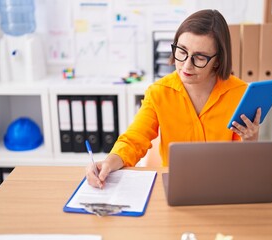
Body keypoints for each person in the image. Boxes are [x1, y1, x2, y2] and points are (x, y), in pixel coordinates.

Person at [86, 9, 261, 188]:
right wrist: (109, 162)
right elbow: (134, 140)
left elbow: (242, 161)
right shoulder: (158, 92)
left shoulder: (241, 93)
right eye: (181, 51)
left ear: (217, 60)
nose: (186, 65)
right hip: (177, 184)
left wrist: (250, 140)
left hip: (222, 184)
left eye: (199, 57)